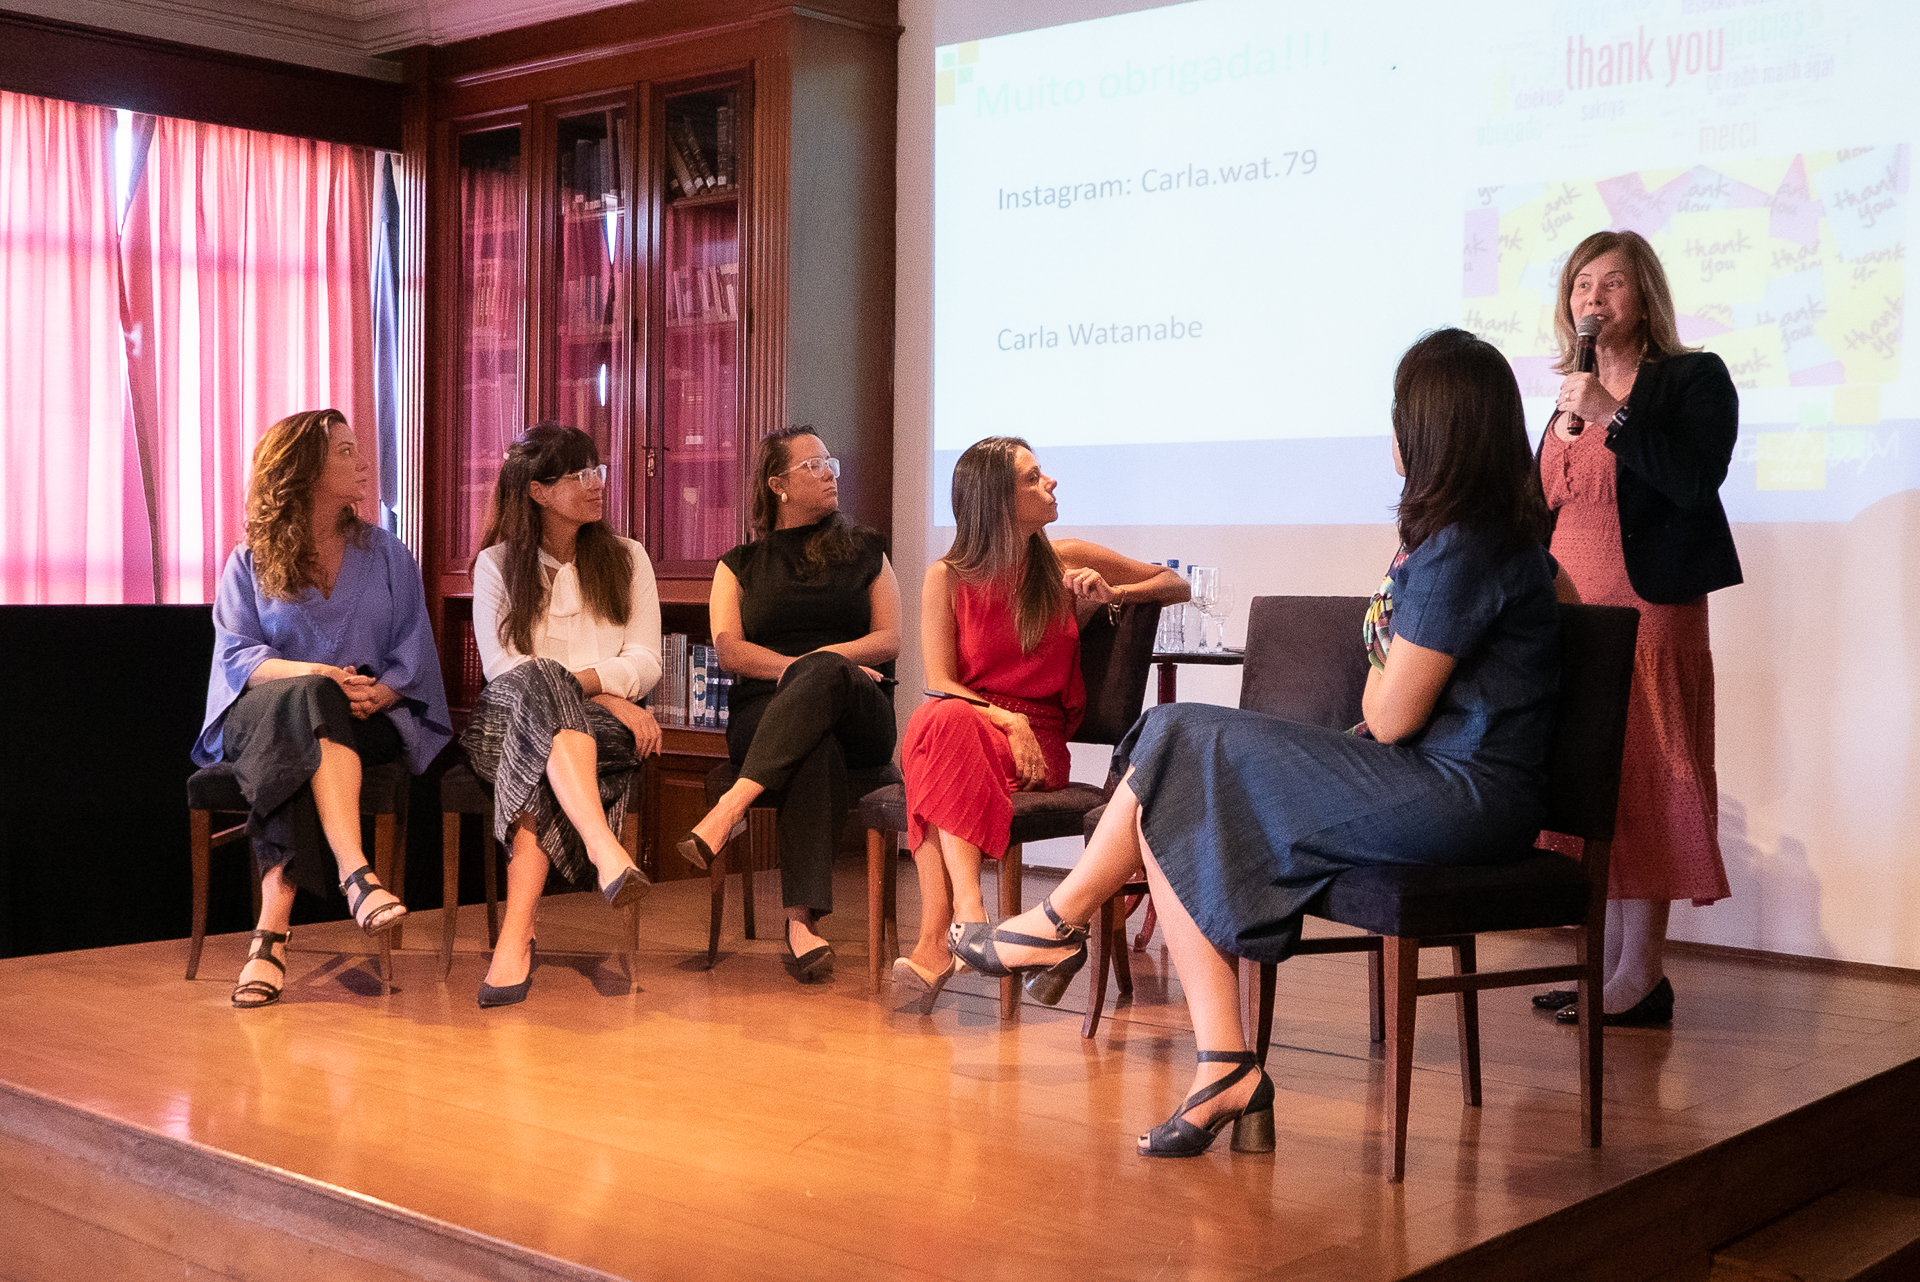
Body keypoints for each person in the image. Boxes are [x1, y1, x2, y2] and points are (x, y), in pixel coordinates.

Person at [952, 330, 1562, 1157]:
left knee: (1173, 738)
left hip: (1458, 795)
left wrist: (1384, 668)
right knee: (1173, 776)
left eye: (1399, 415)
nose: (1390, 433)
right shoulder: (1488, 538)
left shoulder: (1465, 547)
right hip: (1448, 783)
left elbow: (1388, 716)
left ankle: (1061, 924)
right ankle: (1222, 1066)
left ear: (1431, 431)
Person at [897, 436, 1189, 1012]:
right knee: (940, 717)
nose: (1050, 482)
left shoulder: (1064, 558)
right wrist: (1007, 721)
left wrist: (1115, 593)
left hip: (1039, 743)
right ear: (996, 500)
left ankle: (947, 935)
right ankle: (966, 921)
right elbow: (943, 680)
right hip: (982, 723)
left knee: (930, 737)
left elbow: (1173, 584)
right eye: (1032, 478)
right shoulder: (946, 577)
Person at [1531, 229, 1740, 1027]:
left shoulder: (1692, 378)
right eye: (1582, 283)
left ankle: (1641, 973)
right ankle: (1607, 968)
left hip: (1649, 610)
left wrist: (1612, 414)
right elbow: (1541, 503)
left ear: (1644, 295)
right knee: (1597, 785)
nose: (1595, 297)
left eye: (1612, 282)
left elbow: (1694, 480)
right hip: (1569, 614)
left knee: (1647, 777)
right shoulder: (1567, 394)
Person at [195, 409, 451, 1010]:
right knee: (309, 702)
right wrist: (318, 675)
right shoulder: (249, 560)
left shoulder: (387, 554)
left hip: (367, 717)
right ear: (304, 469)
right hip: (264, 713)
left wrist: (385, 691)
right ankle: (355, 872)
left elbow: (414, 647)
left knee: (304, 737)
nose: (363, 463)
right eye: (345, 452)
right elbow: (239, 659)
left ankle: (270, 936)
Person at [675, 427, 900, 982]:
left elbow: (888, 639)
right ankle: (801, 924)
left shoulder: (867, 551)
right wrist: (802, 670)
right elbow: (730, 650)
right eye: (814, 465)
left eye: (831, 462)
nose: (830, 473)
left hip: (861, 708)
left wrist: (827, 667)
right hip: (766, 709)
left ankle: (730, 810)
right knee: (814, 747)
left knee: (825, 675)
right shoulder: (739, 564)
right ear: (778, 484)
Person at [463, 423, 663, 1008]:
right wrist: (606, 693)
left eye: (597, 470)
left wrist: (587, 691)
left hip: (599, 731)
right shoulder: (496, 565)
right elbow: (505, 668)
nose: (597, 483)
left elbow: (647, 660)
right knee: (537, 693)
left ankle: (515, 939)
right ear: (538, 491)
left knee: (541, 751)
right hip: (505, 723)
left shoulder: (629, 558)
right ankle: (604, 847)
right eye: (579, 475)